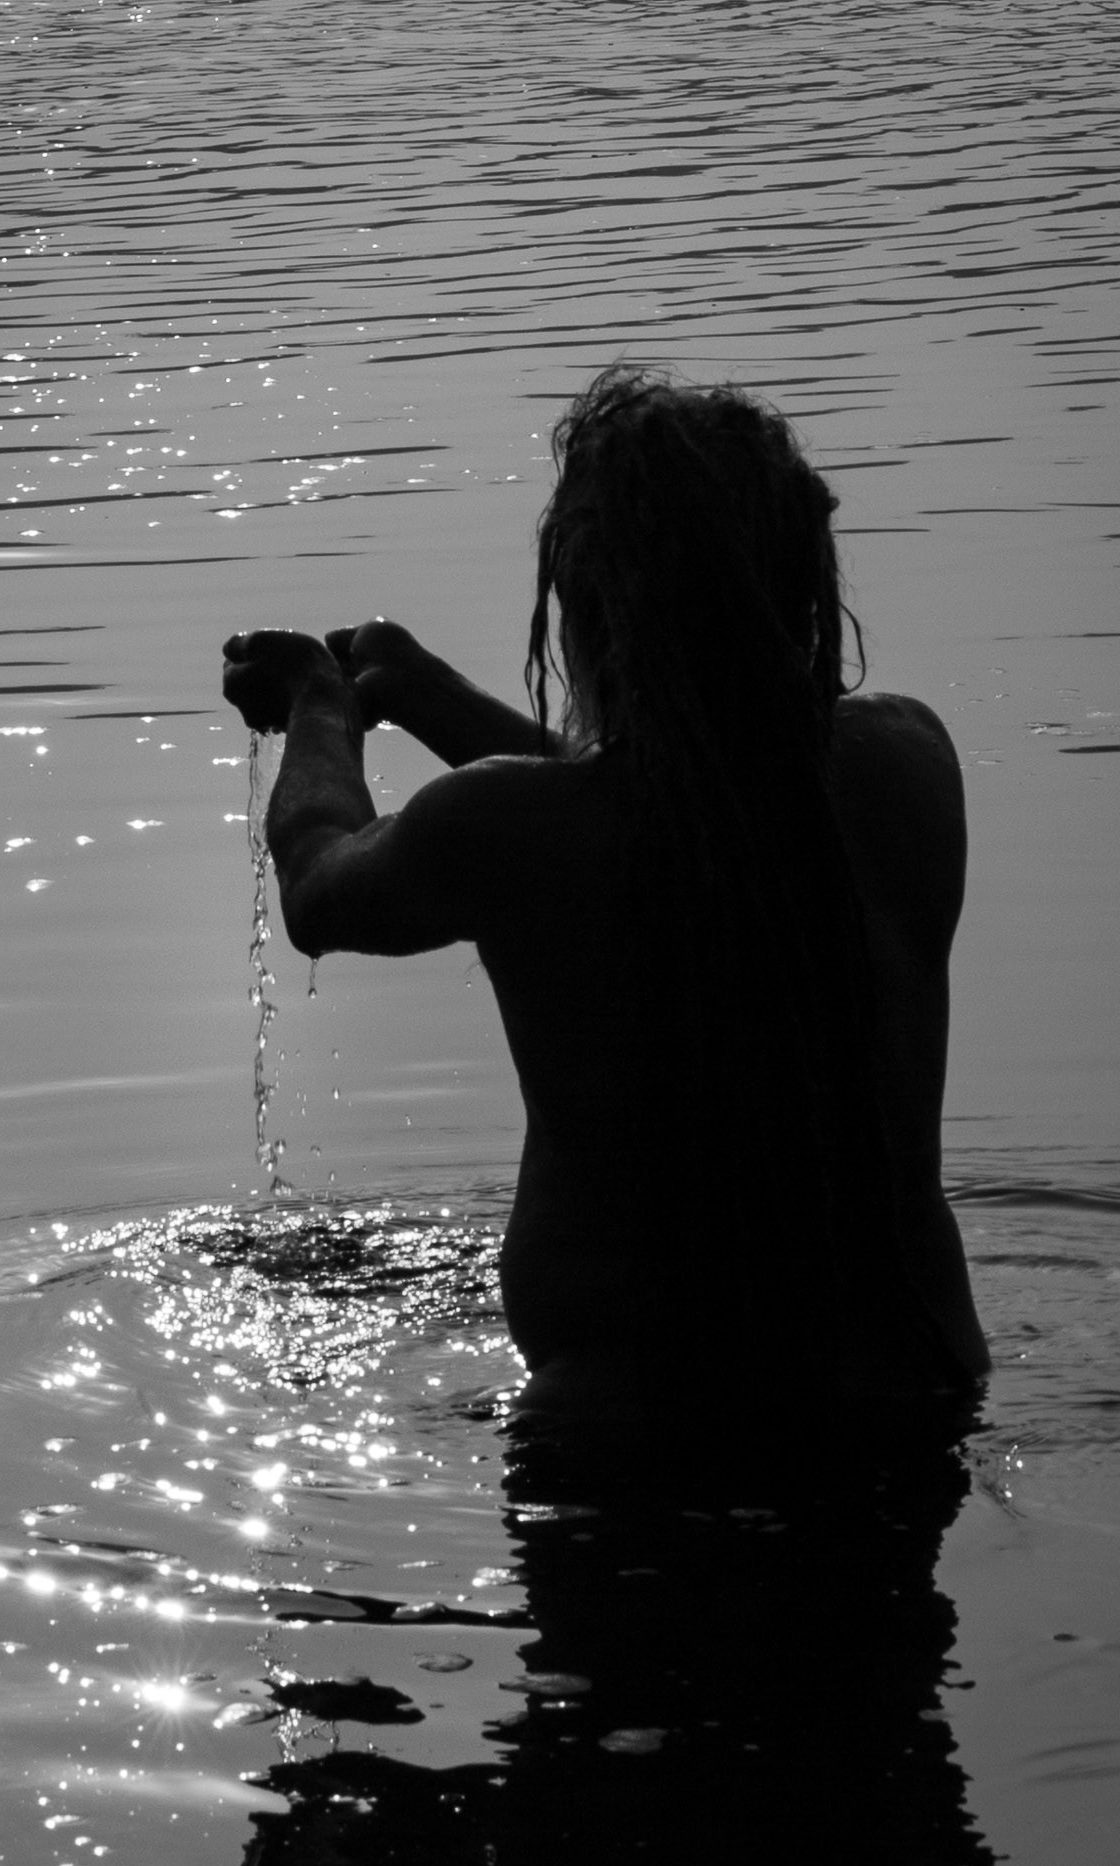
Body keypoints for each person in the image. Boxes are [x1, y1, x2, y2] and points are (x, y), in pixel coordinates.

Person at [221, 367, 990, 1430]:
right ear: (800, 581)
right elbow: (665, 822)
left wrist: (316, 705)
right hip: (909, 1413)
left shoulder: (504, 833)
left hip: (628, 1456)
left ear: (589, 603)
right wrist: (429, 697)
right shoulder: (907, 768)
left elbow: (316, 878)